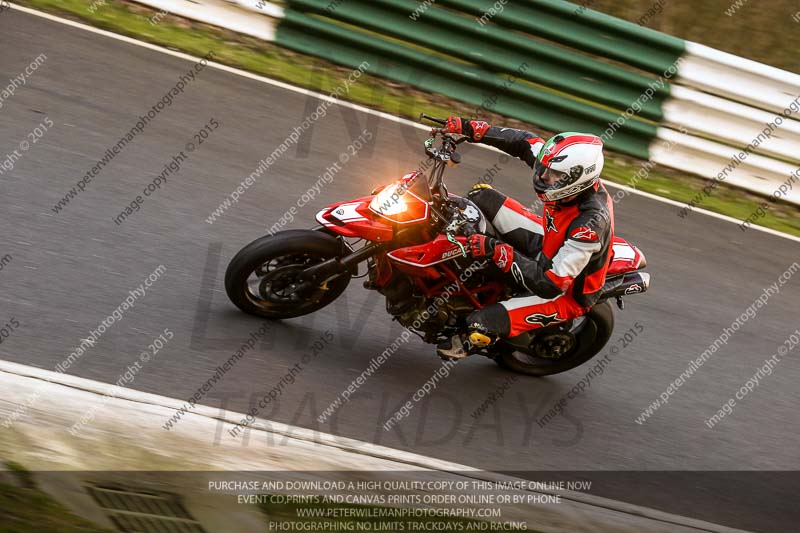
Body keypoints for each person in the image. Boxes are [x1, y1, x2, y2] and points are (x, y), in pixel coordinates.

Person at [436, 117, 615, 359]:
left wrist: (497, 250)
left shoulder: (590, 225)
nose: (543, 176)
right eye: (544, 168)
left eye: (552, 175)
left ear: (576, 179)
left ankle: (475, 338)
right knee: (480, 196)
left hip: (564, 291)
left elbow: (551, 283)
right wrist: (472, 128)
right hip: (548, 242)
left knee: (477, 328)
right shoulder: (561, 171)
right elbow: (524, 142)